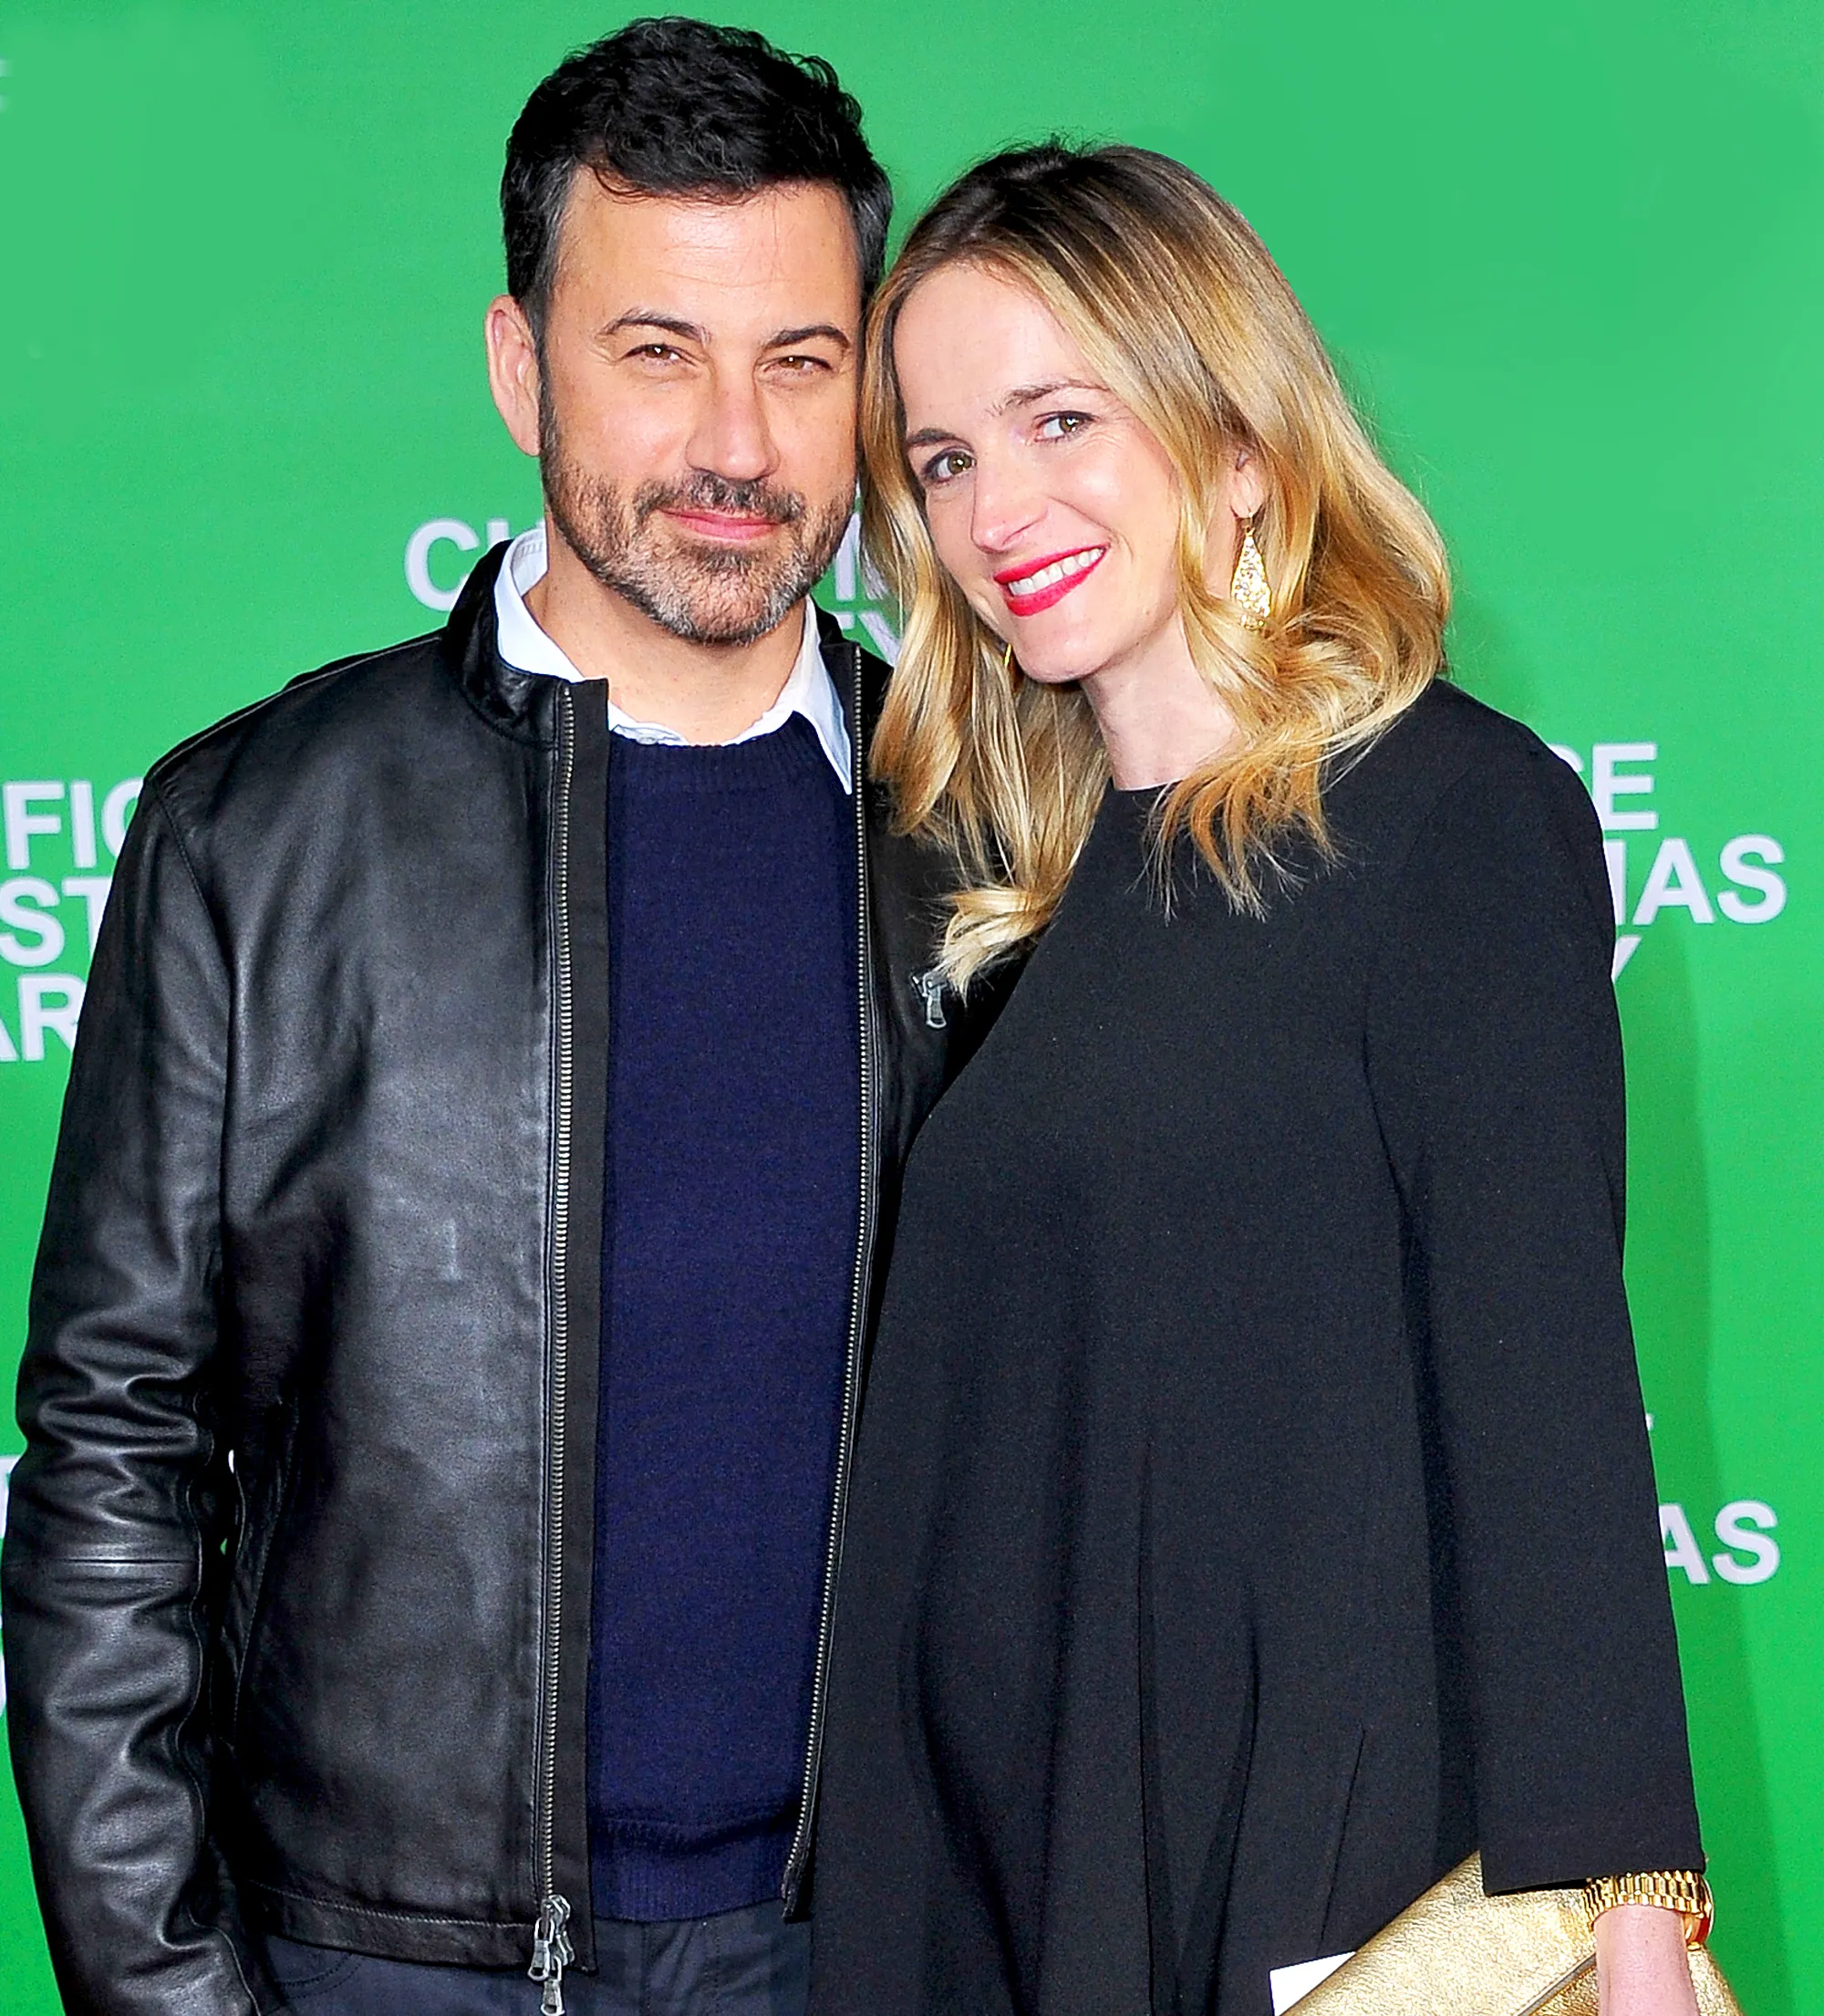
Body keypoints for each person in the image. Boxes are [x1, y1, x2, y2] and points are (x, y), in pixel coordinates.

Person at [2, 22, 1003, 2016]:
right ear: (519, 366)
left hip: (870, 1945)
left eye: (801, 361)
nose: (738, 445)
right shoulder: (261, 832)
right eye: (658, 353)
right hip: (381, 1957)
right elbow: (113, 1457)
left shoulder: (989, 834)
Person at [805, 143, 1710, 2016]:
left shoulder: (1452, 818)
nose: (995, 510)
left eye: (1061, 419)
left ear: (1235, 441)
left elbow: (1545, 1395)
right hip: (1006, 1880)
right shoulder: (1008, 895)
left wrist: (1632, 1926)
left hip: (1309, 1888)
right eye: (945, 460)